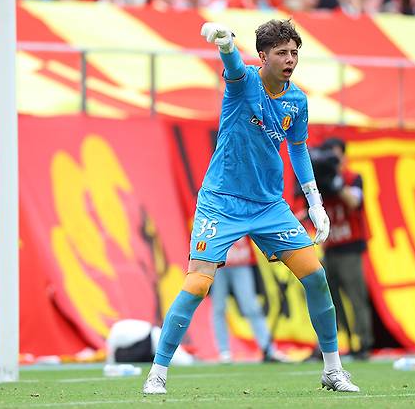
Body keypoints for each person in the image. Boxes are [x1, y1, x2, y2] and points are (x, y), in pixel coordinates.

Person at [143, 19, 360, 395]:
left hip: (268, 205)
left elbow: (298, 149)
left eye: (294, 53)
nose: (290, 59)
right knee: (197, 283)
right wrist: (226, 43)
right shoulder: (244, 83)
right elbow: (232, 65)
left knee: (315, 276)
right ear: (263, 56)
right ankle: (157, 372)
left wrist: (315, 203)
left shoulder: (297, 101)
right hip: (221, 202)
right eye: (282, 53)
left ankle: (332, 369)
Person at [316, 138, 374, 360]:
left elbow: (353, 201)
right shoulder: (319, 180)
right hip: (330, 248)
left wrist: (336, 183)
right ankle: (342, 341)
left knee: (356, 296)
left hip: (350, 247)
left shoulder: (352, 178)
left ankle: (363, 343)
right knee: (330, 300)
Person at [211, 237, 286, 363]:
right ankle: (224, 351)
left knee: (251, 307)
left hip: (241, 263)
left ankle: (268, 349)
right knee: (219, 308)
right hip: (217, 264)